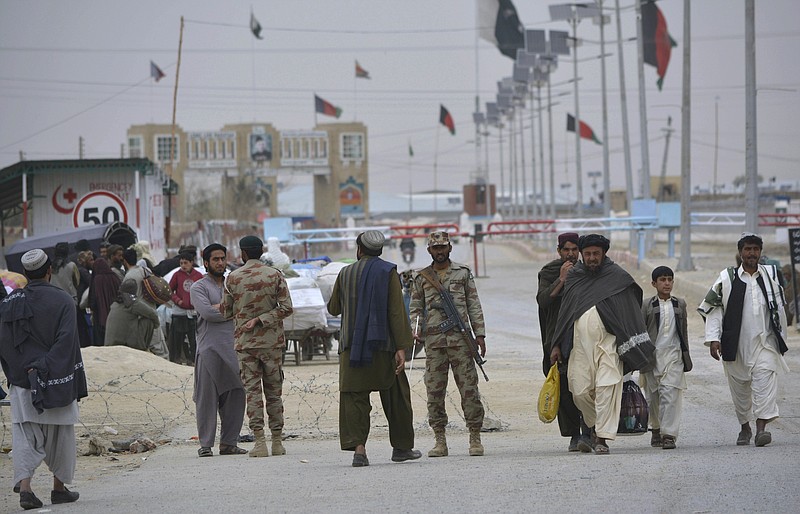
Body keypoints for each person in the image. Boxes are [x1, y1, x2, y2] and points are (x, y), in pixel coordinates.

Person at [0, 249, 87, 510]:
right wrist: (46, 368)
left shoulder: (9, 302)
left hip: (23, 381)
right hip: (57, 380)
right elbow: (66, 341)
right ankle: (58, 489)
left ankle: (25, 488)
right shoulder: (63, 301)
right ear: (49, 271)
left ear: (25, 274)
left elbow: (4, 343)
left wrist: (22, 371)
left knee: (25, 436)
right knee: (61, 436)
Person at [550, 234, 651, 455]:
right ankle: (595, 426)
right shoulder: (575, 277)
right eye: (588, 254)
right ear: (582, 255)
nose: (592, 258)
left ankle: (602, 438)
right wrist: (556, 345)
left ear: (604, 253)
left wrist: (630, 342)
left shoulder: (617, 277)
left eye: (596, 253)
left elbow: (630, 309)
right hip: (580, 348)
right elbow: (565, 314)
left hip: (609, 347)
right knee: (579, 392)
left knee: (607, 389)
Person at [328, 230, 421, 467]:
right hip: (383, 346)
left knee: (354, 398)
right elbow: (396, 310)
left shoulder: (345, 273)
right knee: (397, 395)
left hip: (351, 347)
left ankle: (359, 451)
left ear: (359, 249)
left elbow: (334, 308)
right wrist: (401, 347)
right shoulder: (388, 272)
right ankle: (401, 448)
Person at [698, 233, 789, 447]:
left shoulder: (771, 275)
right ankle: (745, 427)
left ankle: (761, 430)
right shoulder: (727, 277)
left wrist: (782, 338)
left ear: (760, 252)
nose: (751, 253)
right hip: (736, 344)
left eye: (755, 249)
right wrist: (713, 338)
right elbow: (713, 309)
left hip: (765, 343)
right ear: (740, 253)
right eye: (748, 249)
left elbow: (781, 309)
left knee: (764, 384)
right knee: (740, 391)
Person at [409, 231, 486, 457]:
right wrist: (415, 329)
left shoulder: (462, 273)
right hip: (434, 343)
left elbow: (474, 304)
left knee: (469, 390)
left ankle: (475, 437)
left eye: (443, 247)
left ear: (450, 248)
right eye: (435, 248)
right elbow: (415, 308)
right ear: (429, 251)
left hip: (461, 341)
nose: (440, 251)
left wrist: (479, 334)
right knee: (434, 392)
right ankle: (440, 440)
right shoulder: (422, 277)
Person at [221, 235, 293, 458]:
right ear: (261, 251)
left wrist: (248, 316)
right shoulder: (275, 275)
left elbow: (226, 312)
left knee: (252, 392)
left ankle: (260, 442)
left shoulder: (232, 278)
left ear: (242, 253)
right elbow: (286, 308)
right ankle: (278, 442)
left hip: (246, 344)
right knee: (274, 392)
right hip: (271, 343)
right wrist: (264, 318)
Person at [190, 243, 247, 457]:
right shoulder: (198, 287)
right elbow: (208, 313)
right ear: (206, 263)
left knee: (236, 395)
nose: (220, 263)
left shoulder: (232, 284)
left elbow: (244, 308)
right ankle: (205, 445)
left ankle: (229, 443)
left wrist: (222, 308)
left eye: (223, 258)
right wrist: (232, 309)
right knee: (207, 399)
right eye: (215, 259)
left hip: (233, 349)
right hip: (209, 350)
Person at [536, 232, 592, 452]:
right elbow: (542, 300)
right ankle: (574, 434)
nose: (570, 254)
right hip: (558, 337)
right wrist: (561, 280)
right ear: (558, 251)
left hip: (584, 335)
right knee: (565, 385)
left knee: (586, 384)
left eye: (574, 250)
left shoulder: (589, 272)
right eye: (566, 250)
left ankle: (589, 431)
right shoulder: (549, 272)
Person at [640, 266, 690, 450]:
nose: (667, 283)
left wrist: (685, 356)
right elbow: (641, 330)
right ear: (654, 283)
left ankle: (668, 435)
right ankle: (656, 428)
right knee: (653, 397)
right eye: (662, 280)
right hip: (652, 357)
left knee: (670, 394)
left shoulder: (680, 304)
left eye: (670, 279)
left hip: (674, 356)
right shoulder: (646, 305)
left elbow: (683, 332)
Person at [122, 248, 169, 359]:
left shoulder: (128, 277)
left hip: (142, 318)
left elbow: (129, 302)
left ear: (124, 261)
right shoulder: (145, 270)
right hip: (152, 311)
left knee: (152, 349)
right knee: (160, 347)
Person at [104, 280, 164, 356]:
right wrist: (156, 325)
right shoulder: (132, 303)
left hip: (110, 343)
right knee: (148, 321)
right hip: (125, 344)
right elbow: (152, 314)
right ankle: (143, 348)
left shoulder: (115, 303)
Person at [169, 253, 203, 364]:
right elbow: (169, 291)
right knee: (177, 338)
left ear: (191, 262)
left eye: (186, 263)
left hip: (193, 312)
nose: (183, 265)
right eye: (181, 263)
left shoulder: (198, 276)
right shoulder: (176, 275)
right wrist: (177, 300)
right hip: (179, 312)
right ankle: (177, 359)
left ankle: (193, 360)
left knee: (194, 339)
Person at [89, 257, 122, 347]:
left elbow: (93, 301)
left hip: (100, 318)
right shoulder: (114, 277)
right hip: (117, 316)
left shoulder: (96, 280)